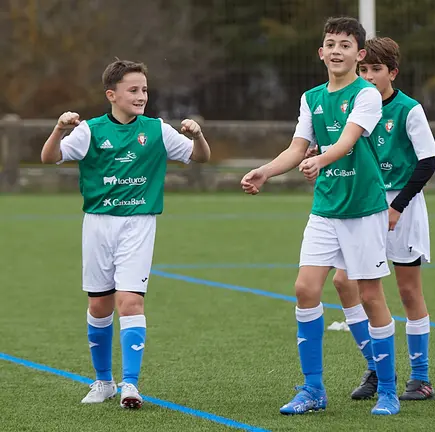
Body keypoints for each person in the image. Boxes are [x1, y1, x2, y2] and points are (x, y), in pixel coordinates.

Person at [240, 17, 400, 416]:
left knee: (370, 294)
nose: (336, 50)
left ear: (359, 54)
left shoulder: (366, 95)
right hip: (326, 209)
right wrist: (266, 170)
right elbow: (297, 148)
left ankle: (389, 390)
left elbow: (346, 140)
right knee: (305, 289)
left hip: (363, 208)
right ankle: (313, 389)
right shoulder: (311, 97)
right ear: (320, 52)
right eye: (330, 43)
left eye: (345, 45)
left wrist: (321, 161)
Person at [40, 59, 211, 409]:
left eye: (144, 89)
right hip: (98, 225)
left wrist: (198, 136)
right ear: (112, 95)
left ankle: (130, 384)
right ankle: (103, 381)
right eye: (133, 90)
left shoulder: (157, 130)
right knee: (99, 305)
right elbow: (49, 157)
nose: (141, 96)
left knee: (130, 301)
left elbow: (200, 157)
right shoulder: (90, 130)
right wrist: (59, 130)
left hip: (138, 224)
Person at [328, 36, 435, 401]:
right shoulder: (355, 104)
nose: (369, 76)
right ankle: (378, 367)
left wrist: (398, 207)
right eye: (364, 69)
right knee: (345, 282)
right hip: (363, 202)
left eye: (377, 70)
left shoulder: (408, 109)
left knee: (408, 291)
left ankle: (420, 378)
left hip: (399, 204)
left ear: (392, 72)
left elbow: (427, 162)